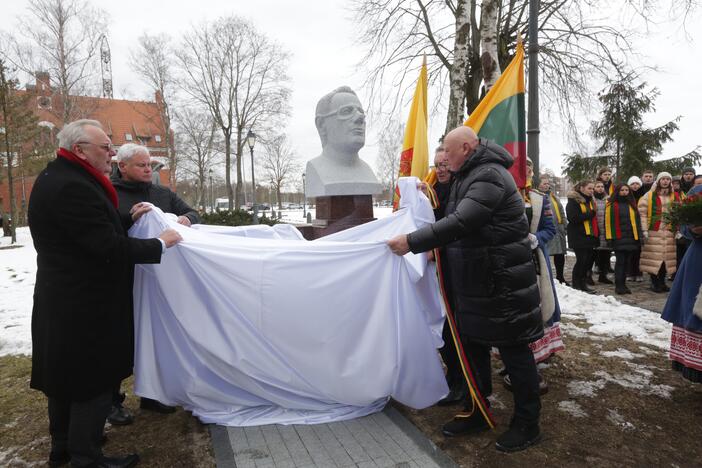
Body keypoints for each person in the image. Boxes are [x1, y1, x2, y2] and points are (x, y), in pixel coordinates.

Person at [28, 119, 182, 468]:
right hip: (84, 305)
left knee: (66, 379)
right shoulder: (72, 186)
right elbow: (105, 247)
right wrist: (159, 242)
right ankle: (86, 457)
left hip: (66, 299)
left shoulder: (62, 177)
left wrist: (127, 218)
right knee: (90, 381)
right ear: (80, 149)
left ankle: (64, 451)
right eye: (106, 147)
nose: (112, 154)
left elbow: (88, 231)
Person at [387, 126, 542, 452]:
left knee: (514, 353)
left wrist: (411, 242)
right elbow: (447, 215)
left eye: (448, 150)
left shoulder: (489, 176)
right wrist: (422, 196)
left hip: (502, 285)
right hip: (477, 283)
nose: (443, 157)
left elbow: (462, 222)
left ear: (467, 148)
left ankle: (528, 424)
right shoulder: (466, 176)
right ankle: (477, 408)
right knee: (473, 348)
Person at [106, 144, 201, 424]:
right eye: (141, 165)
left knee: (156, 334)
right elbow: (108, 235)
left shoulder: (162, 194)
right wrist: (131, 220)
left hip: (161, 281)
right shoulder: (110, 194)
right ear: (122, 166)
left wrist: (184, 219)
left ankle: (153, 393)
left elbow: (193, 214)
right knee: (122, 340)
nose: (149, 170)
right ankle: (112, 401)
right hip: (125, 278)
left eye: (150, 165)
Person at [430, 144, 468, 406]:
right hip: (438, 270)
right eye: (436, 165)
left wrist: (435, 246)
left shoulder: (463, 190)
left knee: (454, 329)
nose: (440, 170)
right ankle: (454, 377)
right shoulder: (433, 190)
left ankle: (463, 383)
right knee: (442, 327)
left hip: (458, 269)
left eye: (444, 164)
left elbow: (456, 226)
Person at [304, 86, 382, 197]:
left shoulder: (368, 171)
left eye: (361, 112)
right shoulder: (316, 169)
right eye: (347, 111)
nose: (360, 118)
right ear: (321, 124)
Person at [661, 184, 702, 383]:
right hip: (699, 260)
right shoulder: (697, 192)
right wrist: (694, 229)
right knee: (694, 307)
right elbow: (684, 225)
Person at [638, 172, 680, 293]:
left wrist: (677, 229)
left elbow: (678, 214)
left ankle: (661, 282)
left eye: (668, 179)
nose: (665, 181)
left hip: (668, 232)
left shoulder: (674, 196)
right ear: (659, 181)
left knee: (666, 259)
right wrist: (644, 230)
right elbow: (642, 214)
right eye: (663, 179)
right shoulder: (649, 195)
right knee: (654, 259)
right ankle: (654, 282)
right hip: (653, 231)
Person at [604, 184, 643, 295]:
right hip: (618, 238)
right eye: (622, 190)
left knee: (627, 263)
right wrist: (610, 238)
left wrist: (639, 237)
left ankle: (624, 284)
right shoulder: (611, 205)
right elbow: (608, 223)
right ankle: (619, 285)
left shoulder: (632, 204)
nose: (625, 192)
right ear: (618, 191)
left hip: (631, 238)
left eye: (627, 190)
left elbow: (637, 222)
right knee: (620, 262)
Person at [566, 180, 598, 293]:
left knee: (587, 261)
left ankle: (583, 283)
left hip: (589, 235)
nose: (592, 191)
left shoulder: (589, 201)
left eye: (592, 189)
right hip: (578, 235)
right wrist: (591, 214)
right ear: (581, 188)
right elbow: (573, 218)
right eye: (589, 188)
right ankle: (576, 284)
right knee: (581, 260)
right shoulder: (573, 201)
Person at [538, 176, 568, 285]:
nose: (547, 185)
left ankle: (560, 277)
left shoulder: (553, 197)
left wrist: (564, 224)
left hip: (558, 230)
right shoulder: (537, 196)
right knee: (544, 255)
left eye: (547, 183)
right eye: (544, 183)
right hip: (545, 230)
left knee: (560, 255)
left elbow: (561, 211)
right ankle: (546, 279)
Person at [592, 181, 612, 284]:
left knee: (606, 255)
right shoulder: (591, 199)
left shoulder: (608, 199)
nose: (600, 188)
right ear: (594, 188)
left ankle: (603, 276)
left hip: (606, 230)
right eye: (598, 186)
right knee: (593, 255)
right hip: (595, 230)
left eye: (602, 187)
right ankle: (588, 276)